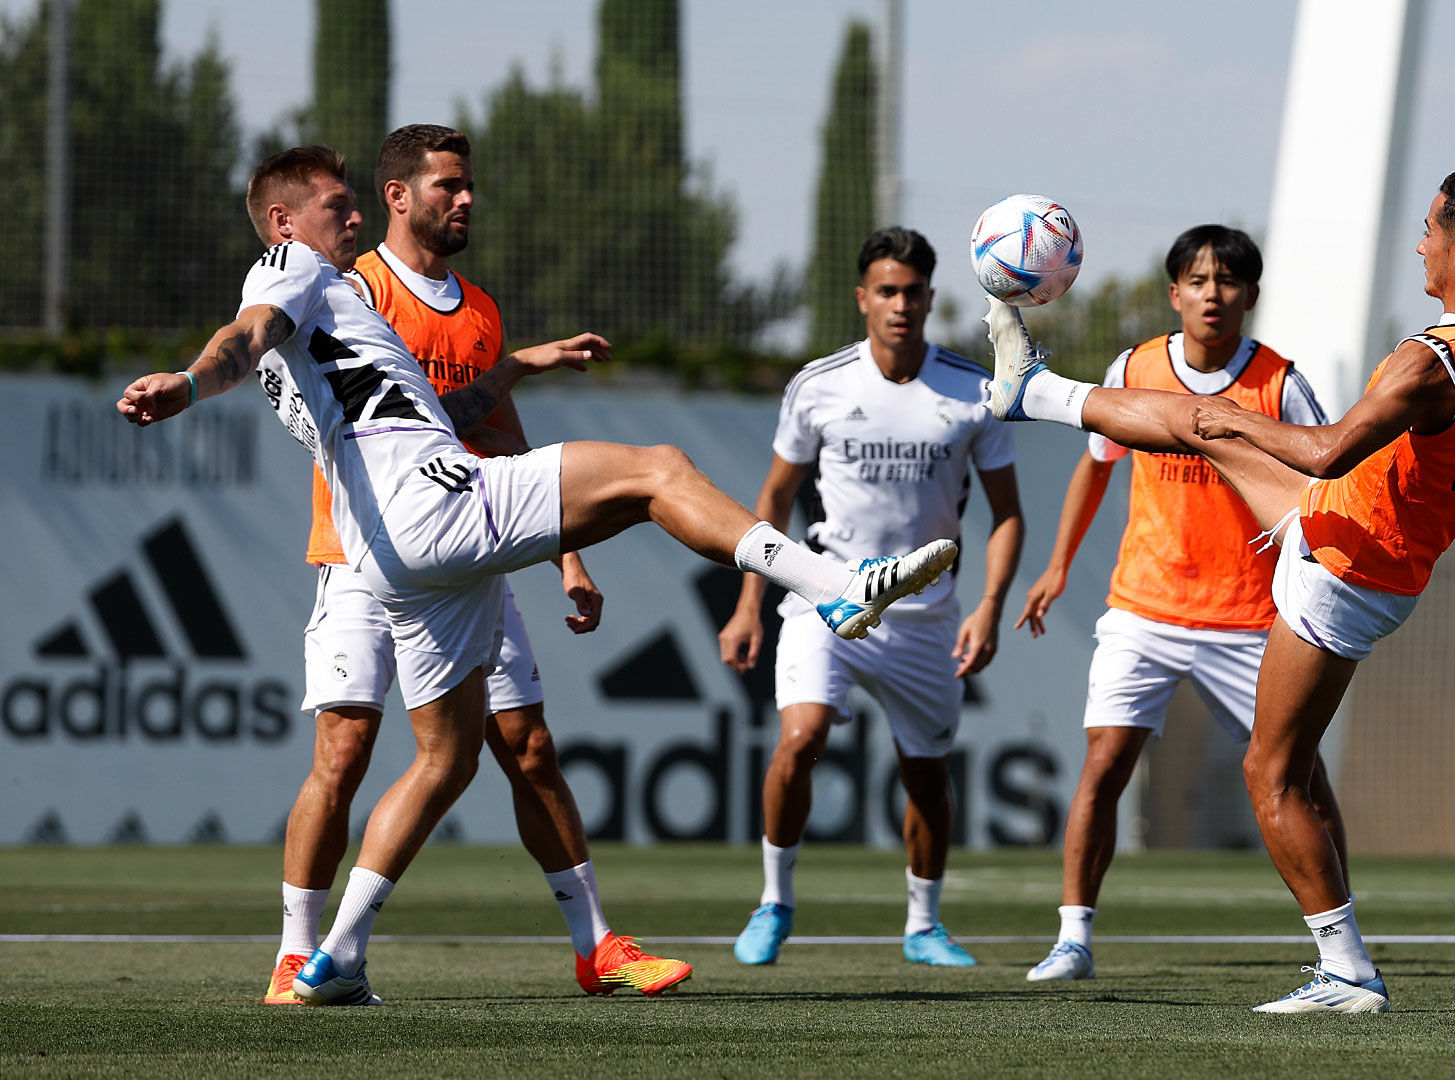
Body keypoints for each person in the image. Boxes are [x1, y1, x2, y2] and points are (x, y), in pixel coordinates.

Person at [119, 146, 958, 1006]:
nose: (357, 216)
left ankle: (338, 957)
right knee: (659, 470)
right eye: (339, 205)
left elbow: (309, 361)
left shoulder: (382, 300)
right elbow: (244, 335)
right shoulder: (292, 267)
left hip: (400, 550)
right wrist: (188, 383)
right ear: (283, 224)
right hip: (429, 503)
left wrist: (518, 378)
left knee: (448, 760)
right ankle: (833, 587)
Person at [982, 172, 1455, 1014]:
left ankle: (1346, 970)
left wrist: (1240, 418)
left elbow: (1325, 453)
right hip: (1354, 538)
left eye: (1431, 231)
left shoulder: (1431, 362)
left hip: (1344, 569)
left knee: (1271, 773)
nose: (1422, 244)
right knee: (1190, 425)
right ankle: (1032, 391)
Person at [262, 125, 691, 1007]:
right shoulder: (344, 282)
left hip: (468, 542)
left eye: (468, 186)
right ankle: (295, 953)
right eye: (448, 185)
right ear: (397, 196)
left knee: (528, 746)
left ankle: (597, 944)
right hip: (358, 556)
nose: (465, 200)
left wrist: (566, 557)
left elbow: (495, 440)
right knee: (343, 751)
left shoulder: (480, 308)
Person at [1013, 225, 1347, 982]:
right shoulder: (1134, 369)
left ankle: (1339, 940)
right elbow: (1095, 466)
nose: (1212, 294)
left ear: (1250, 296)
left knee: (1299, 780)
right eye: (1197, 280)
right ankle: (1072, 939)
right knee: (1104, 761)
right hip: (1145, 604)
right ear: (1175, 293)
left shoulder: (1280, 383)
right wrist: (1058, 565)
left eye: (1228, 281)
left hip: (1246, 617)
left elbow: (1317, 482)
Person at [716, 227, 1024, 968]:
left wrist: (988, 606)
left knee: (925, 774)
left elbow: (1008, 515)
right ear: (862, 298)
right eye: (886, 291)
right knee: (800, 742)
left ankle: (923, 925)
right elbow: (774, 499)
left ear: (930, 298)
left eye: (913, 292)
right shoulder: (819, 386)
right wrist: (749, 605)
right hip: (826, 598)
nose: (900, 305)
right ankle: (774, 902)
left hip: (926, 617)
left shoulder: (971, 390)